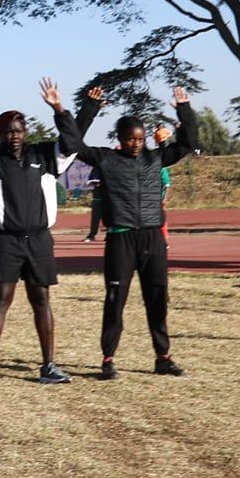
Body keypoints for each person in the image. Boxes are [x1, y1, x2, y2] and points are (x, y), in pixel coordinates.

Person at [59, 85, 198, 378]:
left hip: (152, 237)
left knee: (158, 298)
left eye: (140, 139)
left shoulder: (155, 159)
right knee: (115, 300)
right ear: (120, 140)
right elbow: (72, 143)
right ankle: (108, 359)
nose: (136, 144)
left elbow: (188, 144)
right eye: (130, 139)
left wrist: (184, 111)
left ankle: (163, 357)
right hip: (121, 238)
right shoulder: (106, 159)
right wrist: (90, 108)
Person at [0, 77, 76, 386]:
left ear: (26, 131)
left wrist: (59, 108)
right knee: (0, 300)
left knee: (42, 300)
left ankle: (48, 366)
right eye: (8, 131)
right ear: (0, 134)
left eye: (19, 130)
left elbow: (72, 141)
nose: (14, 136)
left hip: (38, 240)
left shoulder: (44, 156)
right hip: (5, 240)